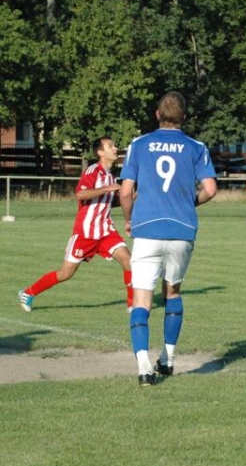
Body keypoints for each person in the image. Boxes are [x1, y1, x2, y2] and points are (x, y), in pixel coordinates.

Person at [119, 91, 217, 386]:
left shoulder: (139, 144)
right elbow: (211, 189)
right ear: (184, 117)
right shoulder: (196, 147)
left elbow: (125, 192)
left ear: (157, 114)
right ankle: (169, 359)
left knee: (142, 299)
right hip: (182, 230)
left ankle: (144, 367)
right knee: (172, 292)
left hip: (147, 228)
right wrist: (189, 203)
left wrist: (129, 218)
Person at [18, 136, 133, 313]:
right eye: (110, 146)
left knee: (128, 260)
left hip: (105, 231)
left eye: (115, 146)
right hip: (85, 233)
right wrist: (107, 188)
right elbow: (80, 195)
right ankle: (28, 293)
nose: (115, 149)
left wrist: (132, 197)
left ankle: (132, 305)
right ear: (100, 152)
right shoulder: (93, 171)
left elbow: (108, 202)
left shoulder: (110, 175)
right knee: (65, 273)